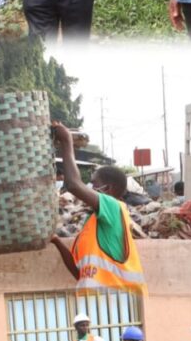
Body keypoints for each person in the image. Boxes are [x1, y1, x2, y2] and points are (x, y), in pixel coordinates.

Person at [48, 122, 146, 293]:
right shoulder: (91, 224)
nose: (89, 188)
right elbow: (81, 273)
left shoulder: (114, 208)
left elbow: (73, 185)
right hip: (98, 309)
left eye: (93, 184)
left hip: (120, 307)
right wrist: (56, 241)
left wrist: (66, 141)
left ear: (107, 189)